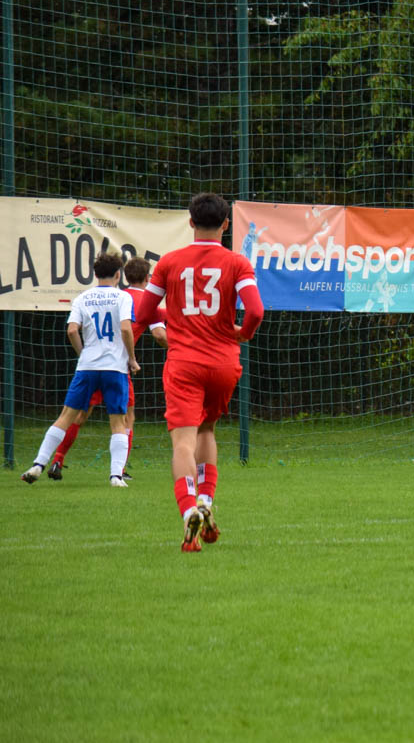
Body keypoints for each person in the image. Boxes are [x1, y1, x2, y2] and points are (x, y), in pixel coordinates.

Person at [134, 192, 264, 552]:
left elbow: (143, 313)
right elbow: (255, 311)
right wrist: (243, 333)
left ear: (190, 222)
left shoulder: (169, 262)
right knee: (207, 429)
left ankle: (189, 507)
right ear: (226, 224)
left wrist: (173, 316)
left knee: (183, 442)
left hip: (185, 363)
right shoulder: (237, 262)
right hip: (224, 362)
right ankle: (206, 500)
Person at [46, 256, 168, 481]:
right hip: (117, 368)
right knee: (125, 417)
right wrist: (181, 346)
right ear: (147, 278)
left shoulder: (115, 296)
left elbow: (73, 329)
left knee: (78, 414)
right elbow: (159, 334)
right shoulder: (143, 302)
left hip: (92, 364)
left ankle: (57, 460)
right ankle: (119, 471)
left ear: (125, 277)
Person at [21, 253, 139, 486]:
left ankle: (38, 464)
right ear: (118, 275)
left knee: (66, 416)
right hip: (115, 368)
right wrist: (132, 359)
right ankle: (116, 476)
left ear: (95, 274)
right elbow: (126, 329)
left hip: (87, 367)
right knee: (119, 421)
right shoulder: (123, 297)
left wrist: (83, 353)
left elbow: (72, 330)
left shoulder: (83, 298)